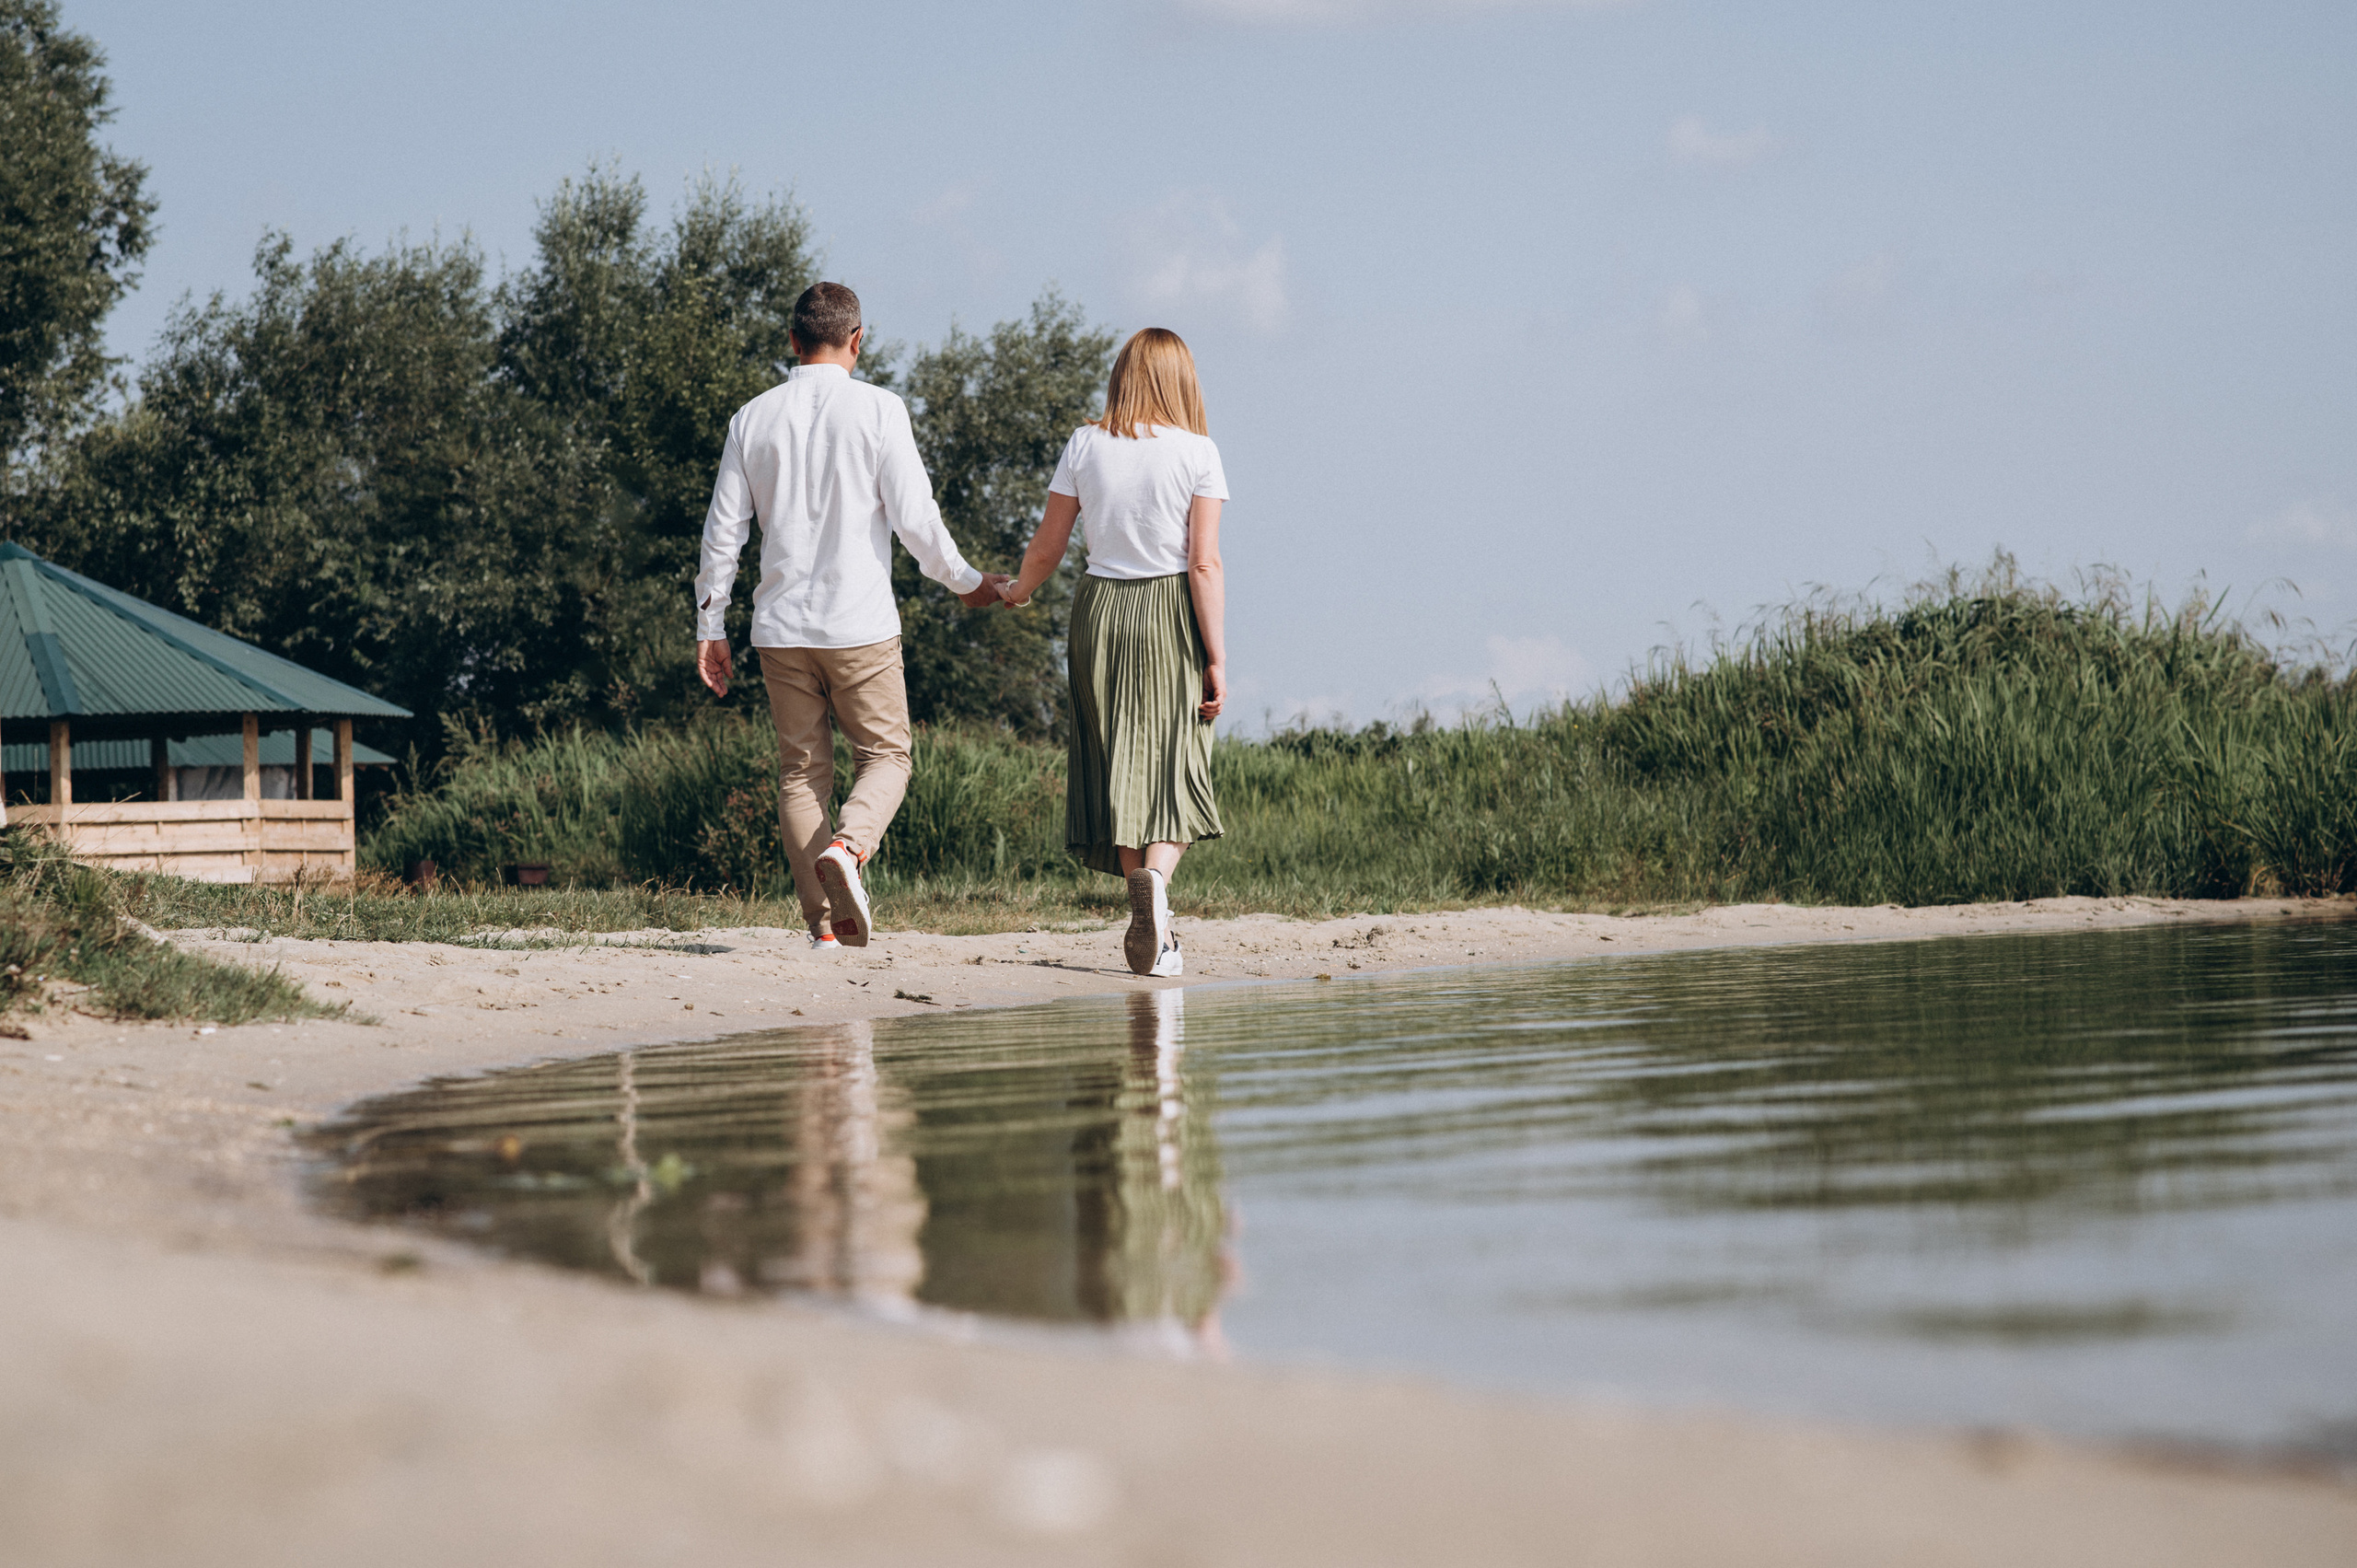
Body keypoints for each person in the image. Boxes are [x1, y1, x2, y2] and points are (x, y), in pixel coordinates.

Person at [692, 282, 1006, 949]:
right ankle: (851, 847)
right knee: (888, 756)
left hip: (779, 629)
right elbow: (916, 520)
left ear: (792, 340)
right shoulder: (880, 410)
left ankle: (824, 930)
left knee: (801, 774)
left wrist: (710, 625)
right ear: (858, 340)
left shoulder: (751, 418)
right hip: (860, 623)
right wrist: (967, 582)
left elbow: (724, 532)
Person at [998, 328, 1227, 978]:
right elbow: (1204, 563)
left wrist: (1018, 590)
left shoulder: (1084, 443)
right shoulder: (1199, 452)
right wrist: (1217, 657)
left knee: (1116, 765)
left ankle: (1151, 922)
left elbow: (1049, 544)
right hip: (1166, 614)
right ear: (1181, 380)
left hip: (1098, 610)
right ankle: (1157, 881)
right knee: (1178, 763)